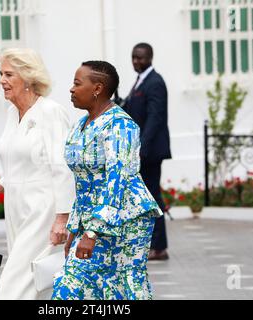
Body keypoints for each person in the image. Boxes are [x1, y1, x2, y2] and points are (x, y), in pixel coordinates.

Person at [51, 61, 162, 300]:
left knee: (125, 285)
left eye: (77, 83)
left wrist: (92, 232)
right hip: (92, 219)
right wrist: (75, 227)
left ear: (97, 88)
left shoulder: (121, 125)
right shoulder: (80, 125)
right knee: (83, 286)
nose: (71, 89)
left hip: (127, 220)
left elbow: (117, 179)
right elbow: (83, 185)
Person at [0, 48, 75, 299]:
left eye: (9, 74)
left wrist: (62, 218)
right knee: (28, 283)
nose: (2, 80)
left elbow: (62, 166)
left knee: (12, 287)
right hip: (16, 209)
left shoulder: (50, 112)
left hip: (42, 210)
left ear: (28, 77)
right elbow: (18, 164)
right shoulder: (12, 113)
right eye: (1, 73)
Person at [122, 43, 172, 261]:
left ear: (150, 57)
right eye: (133, 57)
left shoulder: (155, 82)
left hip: (150, 152)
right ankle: (149, 243)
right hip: (143, 149)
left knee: (152, 198)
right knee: (146, 197)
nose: (136, 61)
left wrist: (141, 147)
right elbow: (135, 108)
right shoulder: (140, 80)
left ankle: (159, 247)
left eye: (140, 58)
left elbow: (155, 118)